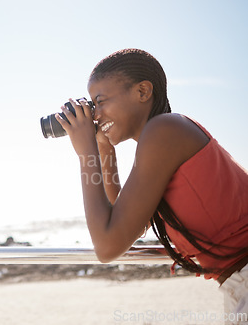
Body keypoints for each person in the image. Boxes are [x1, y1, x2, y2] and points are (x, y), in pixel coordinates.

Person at [55, 49, 248, 320]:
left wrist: (85, 153)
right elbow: (128, 224)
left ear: (143, 91)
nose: (95, 115)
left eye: (100, 102)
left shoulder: (165, 130)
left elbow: (107, 246)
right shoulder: (162, 138)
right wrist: (102, 147)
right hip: (237, 286)